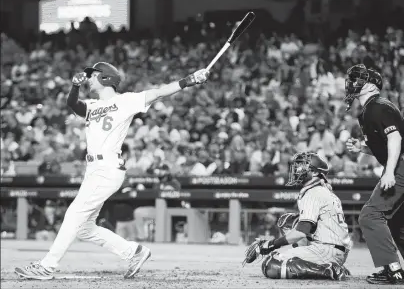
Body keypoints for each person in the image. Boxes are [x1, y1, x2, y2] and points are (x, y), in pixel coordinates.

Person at [14, 62, 210, 280]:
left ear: (105, 78)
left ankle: (47, 266)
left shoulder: (125, 100)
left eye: (93, 75)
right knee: (85, 228)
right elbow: (73, 104)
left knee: (74, 214)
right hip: (94, 169)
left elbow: (159, 93)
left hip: (107, 168)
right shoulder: (92, 105)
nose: (89, 78)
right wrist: (75, 86)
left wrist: (189, 80)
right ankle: (134, 252)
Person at [344, 64, 404, 285]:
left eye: (358, 79)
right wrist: (363, 148)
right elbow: (388, 143)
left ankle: (392, 269)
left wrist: (389, 173)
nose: (352, 83)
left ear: (370, 85)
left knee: (370, 215)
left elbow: (394, 139)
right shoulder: (371, 109)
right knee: (397, 220)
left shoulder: (377, 106)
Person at [243, 152, 352, 281]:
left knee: (271, 264)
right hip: (334, 249)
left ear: (315, 172)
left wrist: (270, 244)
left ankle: (327, 270)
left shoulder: (313, 192)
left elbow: (301, 232)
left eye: (303, 166)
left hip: (327, 249)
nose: (297, 169)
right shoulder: (321, 190)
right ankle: (332, 266)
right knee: (289, 221)